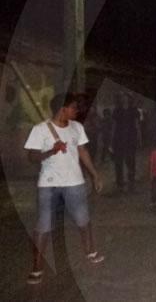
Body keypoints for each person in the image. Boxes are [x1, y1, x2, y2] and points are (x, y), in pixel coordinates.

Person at [24, 93, 104, 285]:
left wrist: (94, 174)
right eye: (74, 107)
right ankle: (36, 267)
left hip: (75, 182)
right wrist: (52, 150)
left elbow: (82, 151)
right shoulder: (40, 129)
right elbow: (31, 157)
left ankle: (90, 251)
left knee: (83, 220)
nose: (77, 111)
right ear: (62, 109)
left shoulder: (77, 127)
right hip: (48, 184)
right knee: (43, 225)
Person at [112, 94, 141, 193]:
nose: (124, 99)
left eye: (126, 97)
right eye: (122, 97)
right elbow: (114, 125)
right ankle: (120, 183)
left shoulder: (134, 110)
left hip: (131, 138)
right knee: (118, 162)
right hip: (118, 138)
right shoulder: (117, 110)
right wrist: (111, 139)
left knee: (131, 160)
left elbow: (137, 124)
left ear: (129, 99)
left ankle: (131, 181)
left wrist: (139, 137)